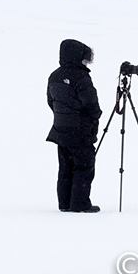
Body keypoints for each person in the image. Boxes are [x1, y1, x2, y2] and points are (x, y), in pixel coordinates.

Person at [46, 39, 102, 213]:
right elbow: (91, 103)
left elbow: (50, 101)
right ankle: (79, 204)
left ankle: (64, 203)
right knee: (83, 167)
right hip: (79, 131)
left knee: (65, 168)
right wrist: (95, 117)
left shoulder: (54, 75)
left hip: (60, 130)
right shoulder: (81, 77)